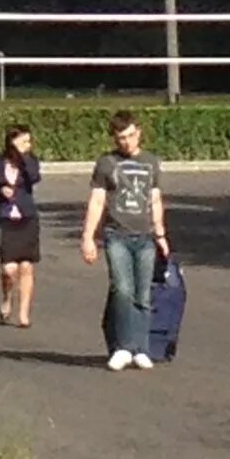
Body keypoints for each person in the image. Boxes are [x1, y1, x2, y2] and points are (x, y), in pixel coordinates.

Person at [81, 109, 169, 370]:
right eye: (121, 138)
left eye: (130, 136)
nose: (126, 142)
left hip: (145, 237)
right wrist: (88, 238)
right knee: (122, 290)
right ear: (114, 139)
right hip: (116, 235)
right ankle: (122, 346)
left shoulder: (151, 162)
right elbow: (97, 201)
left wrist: (160, 233)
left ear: (139, 132)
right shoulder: (106, 163)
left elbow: (154, 199)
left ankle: (141, 347)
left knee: (143, 293)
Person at [0, 124, 43, 328]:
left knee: (27, 266)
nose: (28, 144)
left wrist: (25, 156)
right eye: (24, 141)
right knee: (9, 269)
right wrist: (1, 190)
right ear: (12, 142)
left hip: (27, 219)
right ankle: (7, 298)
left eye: (29, 141)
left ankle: (24, 313)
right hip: (7, 220)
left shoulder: (31, 161)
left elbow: (35, 177)